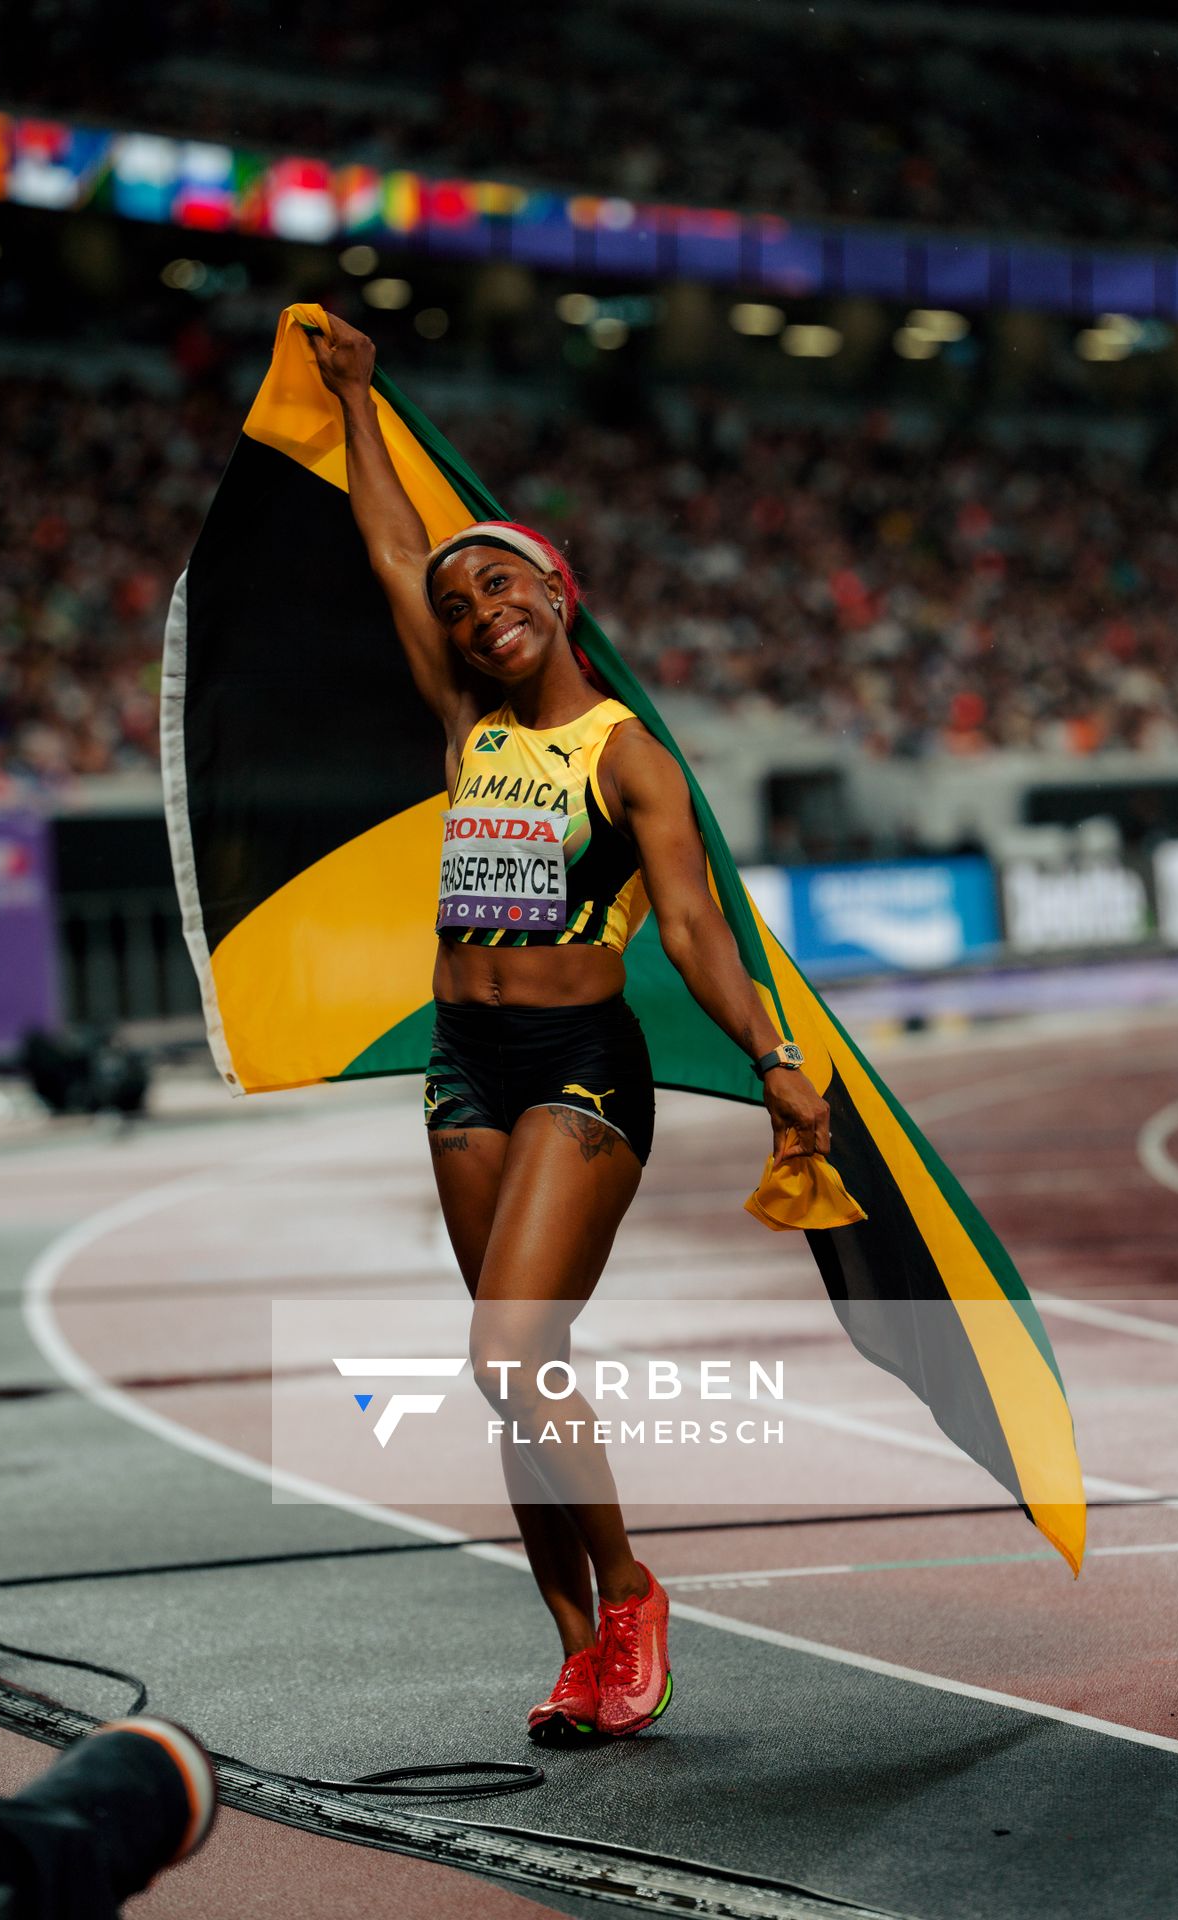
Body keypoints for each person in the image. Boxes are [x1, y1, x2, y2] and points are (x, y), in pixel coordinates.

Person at [309, 314, 831, 1744]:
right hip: (461, 1069)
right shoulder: (468, 724)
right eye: (462, 600)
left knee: (508, 1349)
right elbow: (384, 545)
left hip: (582, 1075)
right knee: (512, 1376)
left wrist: (778, 1061)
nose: (479, 612)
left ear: (559, 588)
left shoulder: (624, 754)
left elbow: (696, 934)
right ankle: (576, 1653)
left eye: (503, 584)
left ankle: (632, 1593)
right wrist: (357, 403)